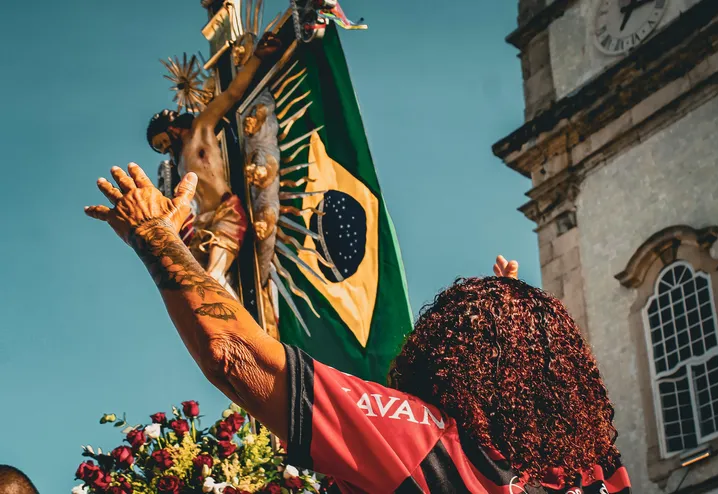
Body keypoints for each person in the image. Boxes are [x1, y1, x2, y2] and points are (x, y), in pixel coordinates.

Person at [85, 166, 631, 493]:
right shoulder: (598, 473)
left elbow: (236, 355)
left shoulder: (428, 446)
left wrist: (156, 236)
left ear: (446, 360)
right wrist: (512, 329)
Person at [146, 32, 283, 298]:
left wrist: (257, 57)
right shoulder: (178, 163)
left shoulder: (202, 127)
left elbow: (232, 94)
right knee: (190, 286)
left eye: (163, 141)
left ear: (171, 127)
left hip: (225, 214)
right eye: (160, 148)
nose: (165, 149)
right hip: (202, 226)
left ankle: (236, 320)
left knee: (214, 278)